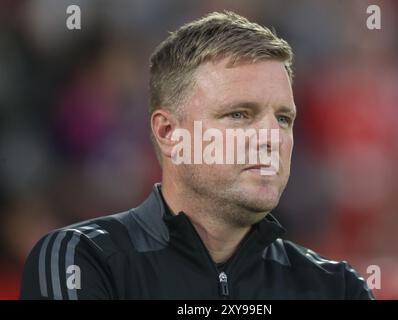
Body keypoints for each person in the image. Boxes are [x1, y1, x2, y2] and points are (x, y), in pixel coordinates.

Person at [20, 11, 373, 299]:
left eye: (283, 118)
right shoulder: (81, 259)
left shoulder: (335, 287)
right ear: (168, 133)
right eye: (239, 114)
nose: (271, 138)